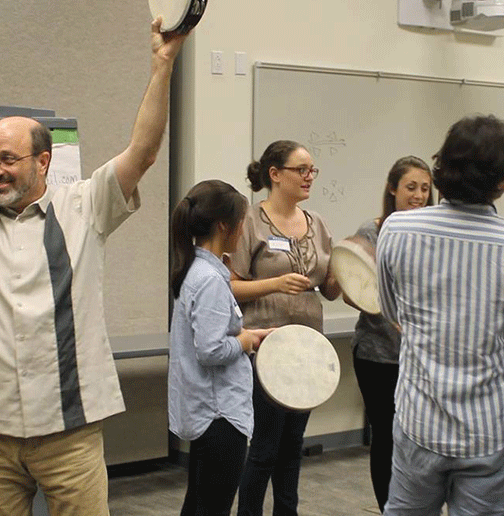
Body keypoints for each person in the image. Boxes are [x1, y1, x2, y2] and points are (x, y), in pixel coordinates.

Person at [0, 18, 185, 515]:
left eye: (8, 158)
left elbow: (144, 152)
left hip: (70, 429)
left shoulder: (85, 208)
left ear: (43, 162)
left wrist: (162, 65)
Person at [376, 114, 504, 516]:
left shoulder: (397, 230)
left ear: (440, 169)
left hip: (419, 420)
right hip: (491, 426)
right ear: (503, 181)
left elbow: (389, 307)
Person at [230, 139, 342, 516]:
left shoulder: (318, 223)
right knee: (265, 447)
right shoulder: (249, 221)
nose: (310, 177)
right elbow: (230, 285)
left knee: (293, 446)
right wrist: (275, 284)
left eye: (313, 170)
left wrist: (350, 275)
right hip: (267, 350)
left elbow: (328, 288)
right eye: (302, 170)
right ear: (275, 175)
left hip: (309, 350)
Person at [169, 180, 272, 516]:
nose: (244, 230)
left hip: (207, 413)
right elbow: (211, 351)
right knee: (213, 506)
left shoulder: (198, 270)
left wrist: (251, 335)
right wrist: (243, 341)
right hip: (220, 416)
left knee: (199, 504)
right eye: (242, 222)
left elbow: (214, 334)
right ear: (226, 226)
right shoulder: (211, 279)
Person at [347, 156, 434, 511]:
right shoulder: (374, 231)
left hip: (421, 355)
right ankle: (389, 506)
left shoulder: (434, 232)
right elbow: (358, 289)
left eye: (425, 188)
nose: (418, 195)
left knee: (418, 437)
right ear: (393, 188)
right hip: (377, 354)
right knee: (386, 434)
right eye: (411, 187)